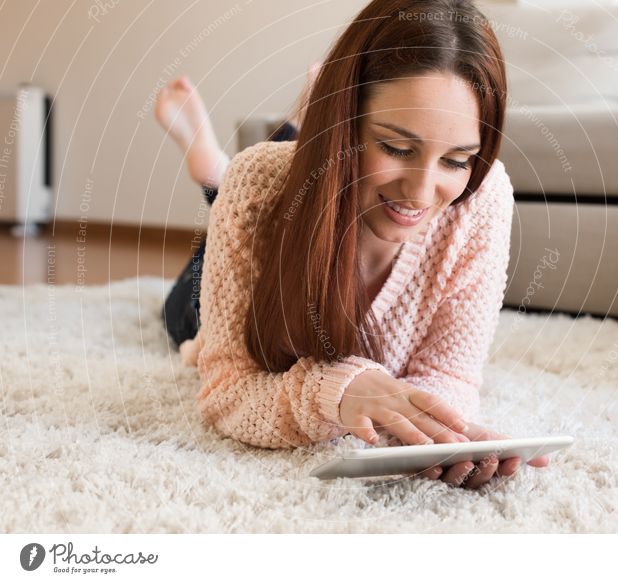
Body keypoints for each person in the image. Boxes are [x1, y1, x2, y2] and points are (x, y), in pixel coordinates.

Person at [157, 0, 549, 489]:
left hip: (318, 181)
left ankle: (233, 167)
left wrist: (429, 433)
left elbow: (449, 375)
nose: (422, 194)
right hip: (262, 233)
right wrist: (335, 393)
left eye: (456, 160)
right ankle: (218, 174)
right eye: (397, 148)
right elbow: (226, 392)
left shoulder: (481, 199)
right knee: (180, 316)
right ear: (343, 122)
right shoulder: (257, 189)